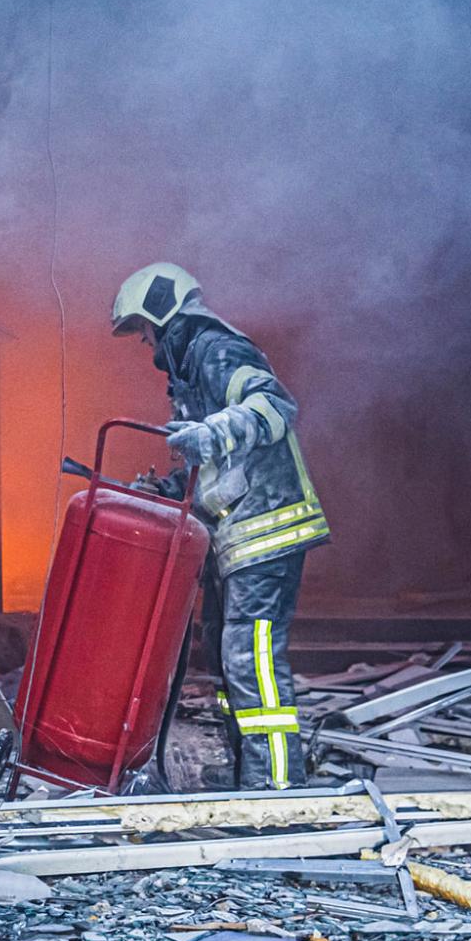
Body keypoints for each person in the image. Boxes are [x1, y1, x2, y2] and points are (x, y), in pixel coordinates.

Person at [111, 263, 330, 790]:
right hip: (236, 539)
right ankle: (251, 778)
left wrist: (212, 432)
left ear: (161, 310)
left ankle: (278, 792)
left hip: (266, 529)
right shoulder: (190, 372)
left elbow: (275, 405)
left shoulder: (215, 349)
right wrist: (164, 490)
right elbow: (210, 468)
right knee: (227, 659)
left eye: (143, 328)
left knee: (249, 660)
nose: (145, 343)